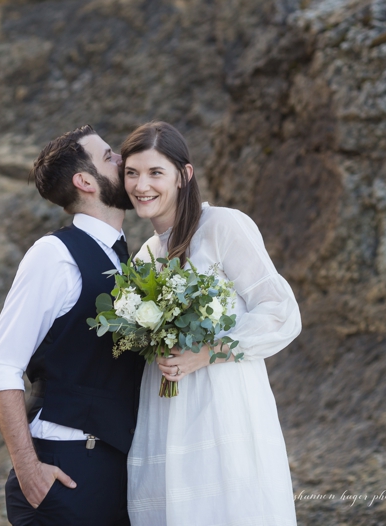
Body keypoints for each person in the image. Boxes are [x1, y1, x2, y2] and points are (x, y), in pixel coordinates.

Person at [120, 121, 302, 526]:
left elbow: (281, 312)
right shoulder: (146, 255)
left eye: (155, 172)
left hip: (223, 405)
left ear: (184, 176)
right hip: (165, 412)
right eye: (131, 173)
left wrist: (205, 353)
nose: (140, 185)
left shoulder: (222, 226)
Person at [0, 125, 140, 525]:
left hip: (114, 470)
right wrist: (29, 471)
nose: (122, 160)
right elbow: (1, 367)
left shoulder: (127, 260)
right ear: (85, 181)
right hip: (65, 470)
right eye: (109, 157)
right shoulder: (53, 255)